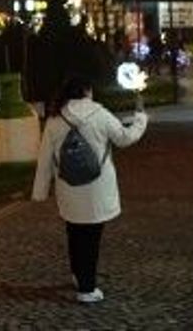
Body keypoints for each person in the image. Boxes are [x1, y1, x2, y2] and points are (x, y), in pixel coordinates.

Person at [31, 76, 149, 304]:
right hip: (96, 188)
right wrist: (140, 119)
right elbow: (125, 138)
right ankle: (87, 289)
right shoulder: (100, 115)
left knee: (74, 232)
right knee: (91, 238)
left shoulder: (55, 119)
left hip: (68, 188)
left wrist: (40, 191)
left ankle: (78, 275)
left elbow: (45, 158)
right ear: (87, 92)